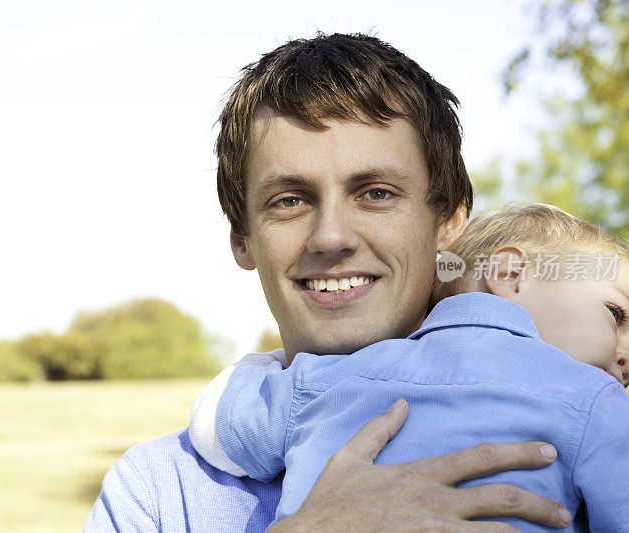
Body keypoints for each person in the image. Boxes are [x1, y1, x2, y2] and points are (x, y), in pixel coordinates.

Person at [84, 33, 574, 531]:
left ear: (448, 220)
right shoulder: (156, 495)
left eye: (376, 193)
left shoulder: (564, 429)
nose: (332, 238)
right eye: (290, 200)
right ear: (242, 239)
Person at [188, 204, 629, 531]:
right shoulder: (594, 405)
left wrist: (283, 371)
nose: (624, 361)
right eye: (617, 315)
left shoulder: (339, 376)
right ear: (511, 275)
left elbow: (219, 425)